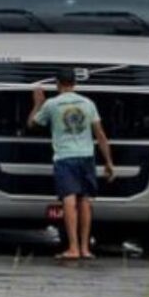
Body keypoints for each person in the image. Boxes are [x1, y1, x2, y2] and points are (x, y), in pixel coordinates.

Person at [28, 68, 116, 261]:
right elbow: (100, 135)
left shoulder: (52, 104)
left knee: (69, 201)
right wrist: (109, 162)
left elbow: (32, 124)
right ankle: (85, 248)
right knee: (85, 201)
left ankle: (73, 248)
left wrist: (37, 104)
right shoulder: (88, 103)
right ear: (75, 83)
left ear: (58, 84)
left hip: (65, 158)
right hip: (87, 156)